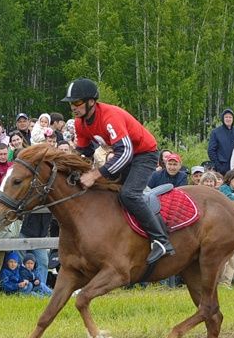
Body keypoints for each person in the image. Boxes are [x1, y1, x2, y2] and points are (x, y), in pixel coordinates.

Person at [64, 78, 175, 266]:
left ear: (91, 102)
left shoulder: (109, 116)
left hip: (144, 154)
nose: (73, 107)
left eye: (77, 102)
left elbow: (126, 152)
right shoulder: (79, 123)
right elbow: (84, 152)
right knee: (105, 193)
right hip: (124, 154)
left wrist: (95, 174)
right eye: (71, 104)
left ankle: (162, 240)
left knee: (129, 194)